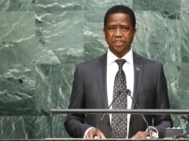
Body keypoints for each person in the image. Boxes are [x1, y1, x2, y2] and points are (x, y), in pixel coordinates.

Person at [64, 4, 173, 139]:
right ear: (104, 32)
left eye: (125, 28)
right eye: (111, 28)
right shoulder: (85, 71)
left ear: (134, 32)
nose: (118, 34)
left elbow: (166, 122)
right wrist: (88, 131)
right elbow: (72, 120)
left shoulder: (154, 70)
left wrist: (150, 134)